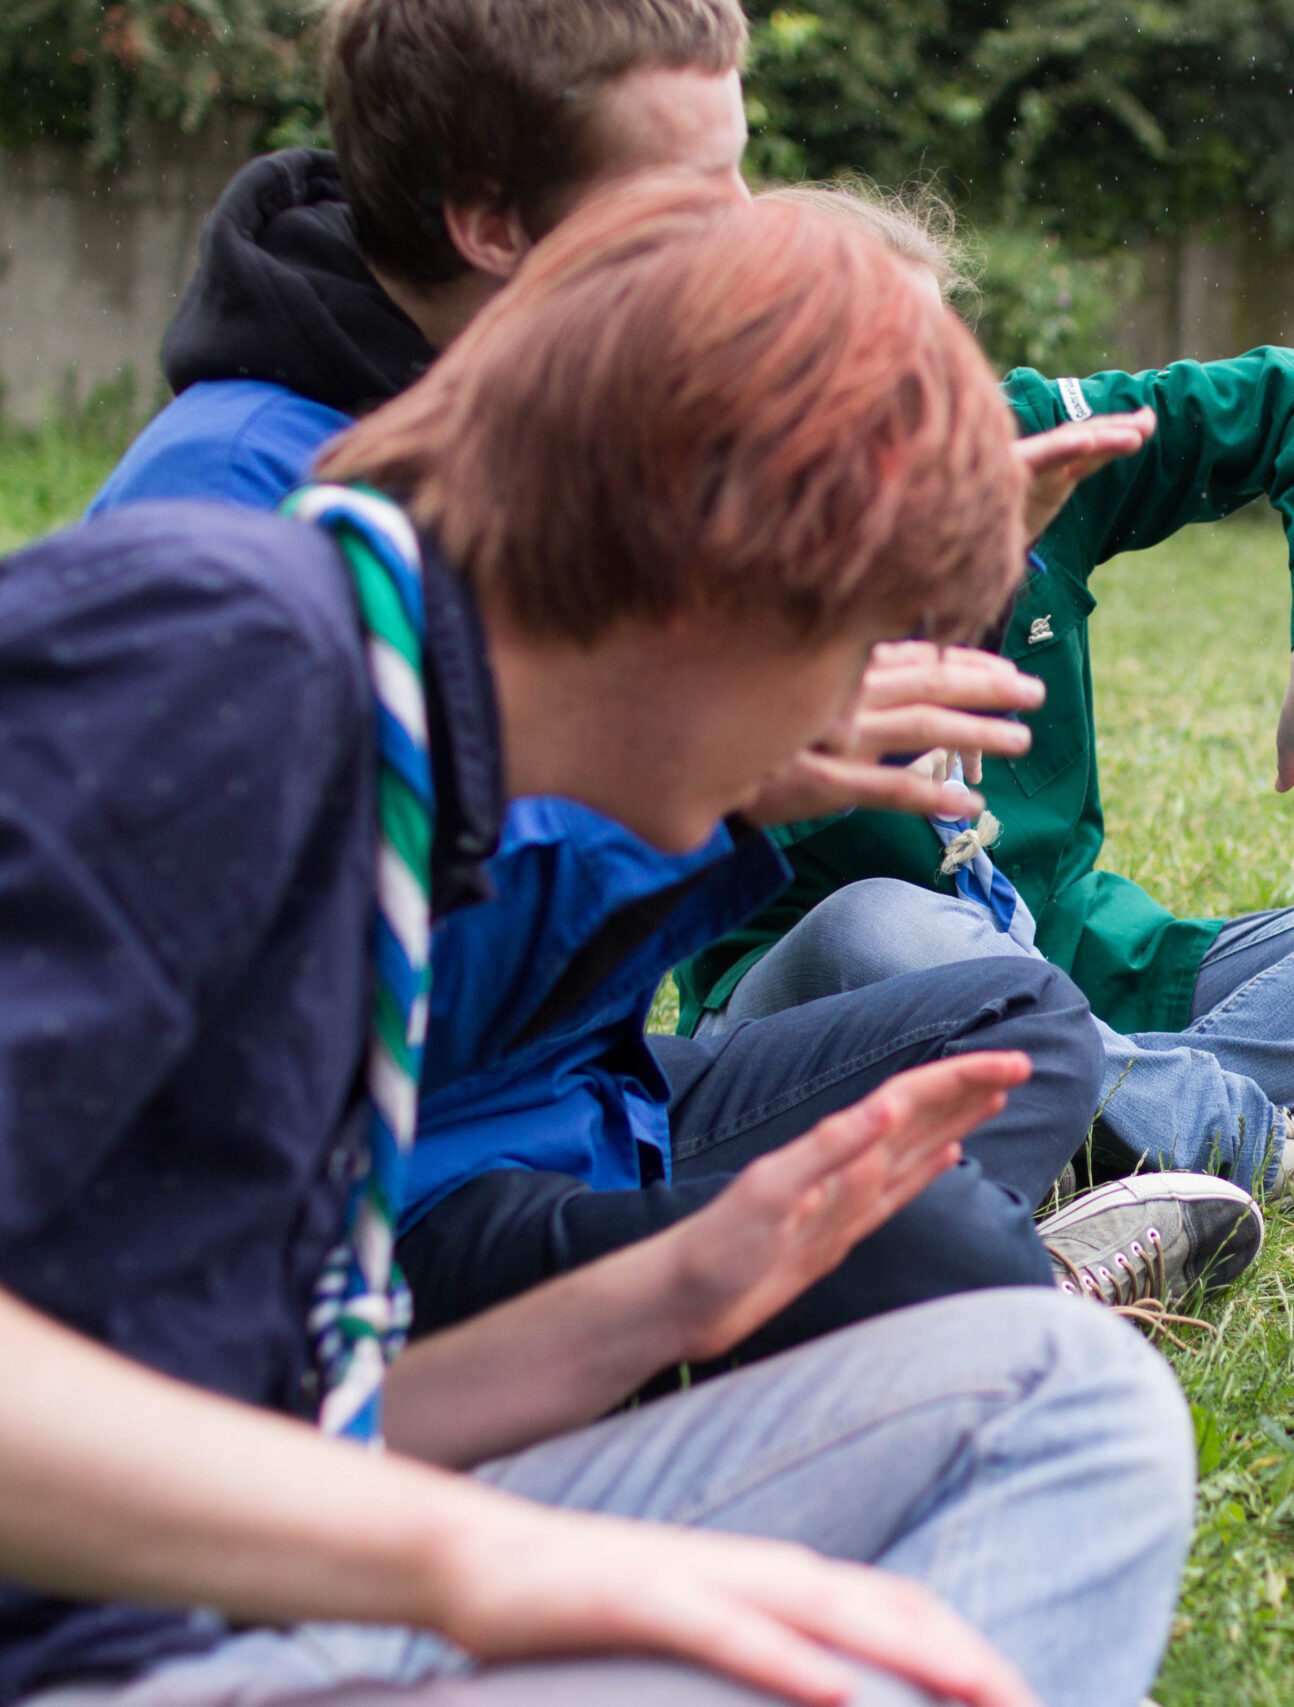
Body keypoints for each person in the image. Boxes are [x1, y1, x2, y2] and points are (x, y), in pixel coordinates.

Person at [2, 179, 1191, 1707]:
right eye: (855, 649)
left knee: (1068, 1397)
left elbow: (304, 1435)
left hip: (237, 1590)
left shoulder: (399, 745)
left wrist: (684, 1288)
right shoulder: (224, 652)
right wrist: (484, 1564)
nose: (853, 723)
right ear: (712, 592)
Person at [85, 0, 1262, 1333]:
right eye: (693, 191)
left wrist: (876, 628)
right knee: (936, 1249)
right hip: (407, 1193)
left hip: (597, 1099)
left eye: (744, 167)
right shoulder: (245, 519)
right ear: (493, 224)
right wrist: (716, 794)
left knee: (1009, 1021)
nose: (751, 225)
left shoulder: (565, 423)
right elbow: (300, 1048)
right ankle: (994, 1279)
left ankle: (954, 1266)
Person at [674, 183, 1294, 1213]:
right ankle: (1262, 1148)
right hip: (820, 1003)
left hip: (1071, 955)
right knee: (880, 920)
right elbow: (674, 825)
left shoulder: (1020, 448)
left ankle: (1094, 1113)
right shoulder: (695, 556)